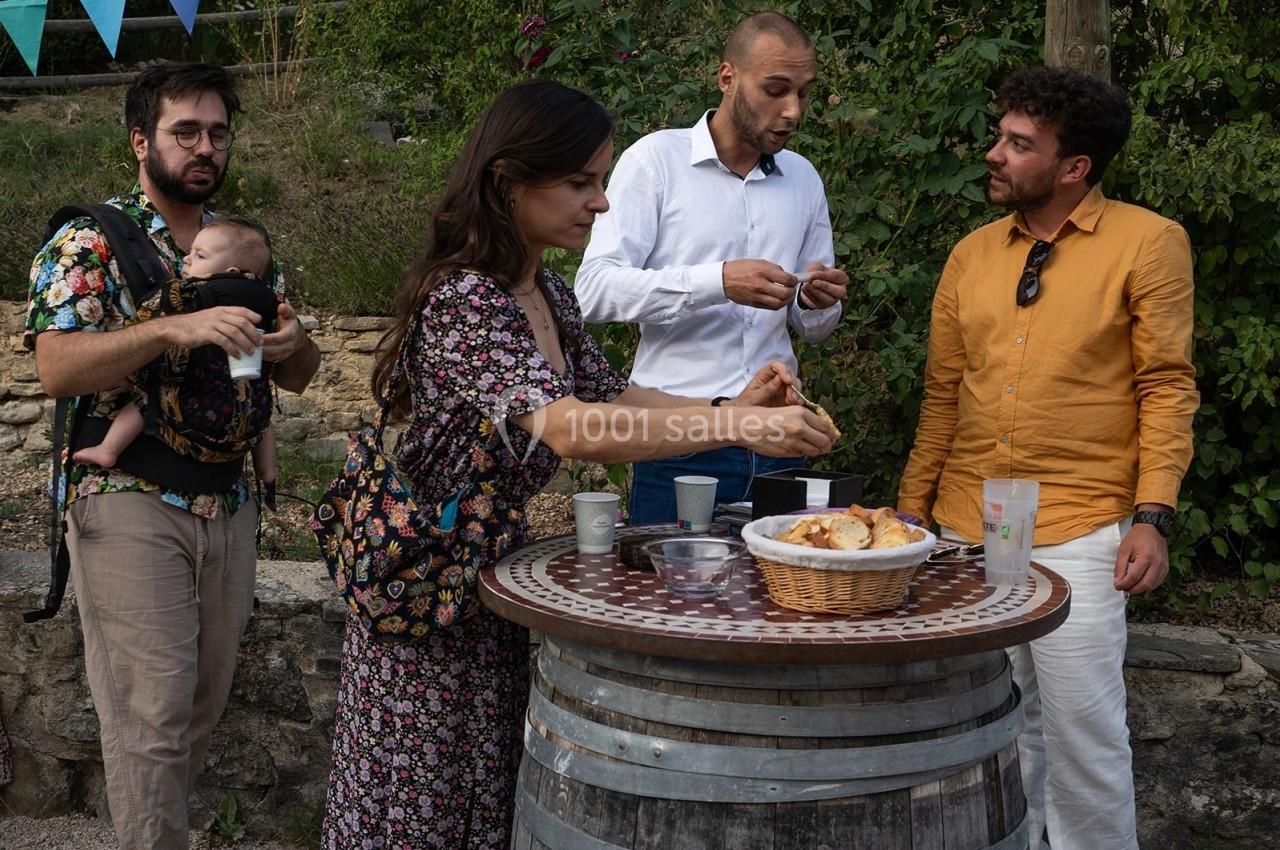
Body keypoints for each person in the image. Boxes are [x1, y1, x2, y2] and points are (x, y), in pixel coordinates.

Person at [322, 78, 834, 850]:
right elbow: (572, 429)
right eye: (579, 182)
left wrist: (741, 403)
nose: (599, 203)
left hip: (484, 578)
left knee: (483, 795)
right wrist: (729, 425)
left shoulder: (545, 292)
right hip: (425, 591)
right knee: (419, 808)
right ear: (508, 181)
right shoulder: (467, 298)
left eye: (600, 180)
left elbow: (618, 395)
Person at [897, 66, 1198, 850]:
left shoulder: (1148, 242)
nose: (994, 152)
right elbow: (942, 395)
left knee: (1083, 734)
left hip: (1083, 525)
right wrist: (909, 512)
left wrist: (1153, 516)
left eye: (1018, 143)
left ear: (1074, 169)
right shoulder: (970, 255)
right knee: (992, 724)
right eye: (999, 134)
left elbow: (1167, 387)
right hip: (976, 523)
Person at [24, 62, 320, 849]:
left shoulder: (241, 245)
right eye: (185, 131)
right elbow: (56, 369)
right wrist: (169, 328)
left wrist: (295, 344)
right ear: (139, 141)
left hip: (228, 504)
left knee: (199, 706)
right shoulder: (90, 240)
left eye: (217, 133)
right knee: (151, 714)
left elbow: (293, 372)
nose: (204, 147)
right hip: (128, 494)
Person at [575, 10, 849, 523]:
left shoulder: (803, 178)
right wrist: (718, 281)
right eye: (776, 89)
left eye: (804, 92)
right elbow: (593, 291)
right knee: (666, 598)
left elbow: (811, 329)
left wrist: (817, 303)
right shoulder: (654, 162)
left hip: (777, 438)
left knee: (780, 598)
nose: (792, 111)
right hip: (678, 436)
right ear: (728, 78)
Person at [72, 216, 280, 505]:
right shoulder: (268, 299)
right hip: (241, 391)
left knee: (144, 402)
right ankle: (267, 470)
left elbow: (153, 329)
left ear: (231, 270)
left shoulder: (189, 293)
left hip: (192, 397)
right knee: (263, 419)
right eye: (191, 251)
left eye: (200, 255)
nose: (187, 259)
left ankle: (108, 448)